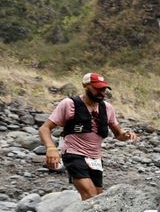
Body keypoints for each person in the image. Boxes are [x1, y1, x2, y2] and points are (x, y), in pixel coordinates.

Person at [39, 72, 138, 200]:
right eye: (97, 88)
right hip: (74, 154)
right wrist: (51, 149)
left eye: (103, 89)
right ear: (85, 86)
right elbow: (44, 128)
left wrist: (127, 135)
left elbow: (118, 134)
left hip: (95, 159)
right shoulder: (70, 104)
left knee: (98, 197)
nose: (101, 92)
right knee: (91, 197)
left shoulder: (107, 108)